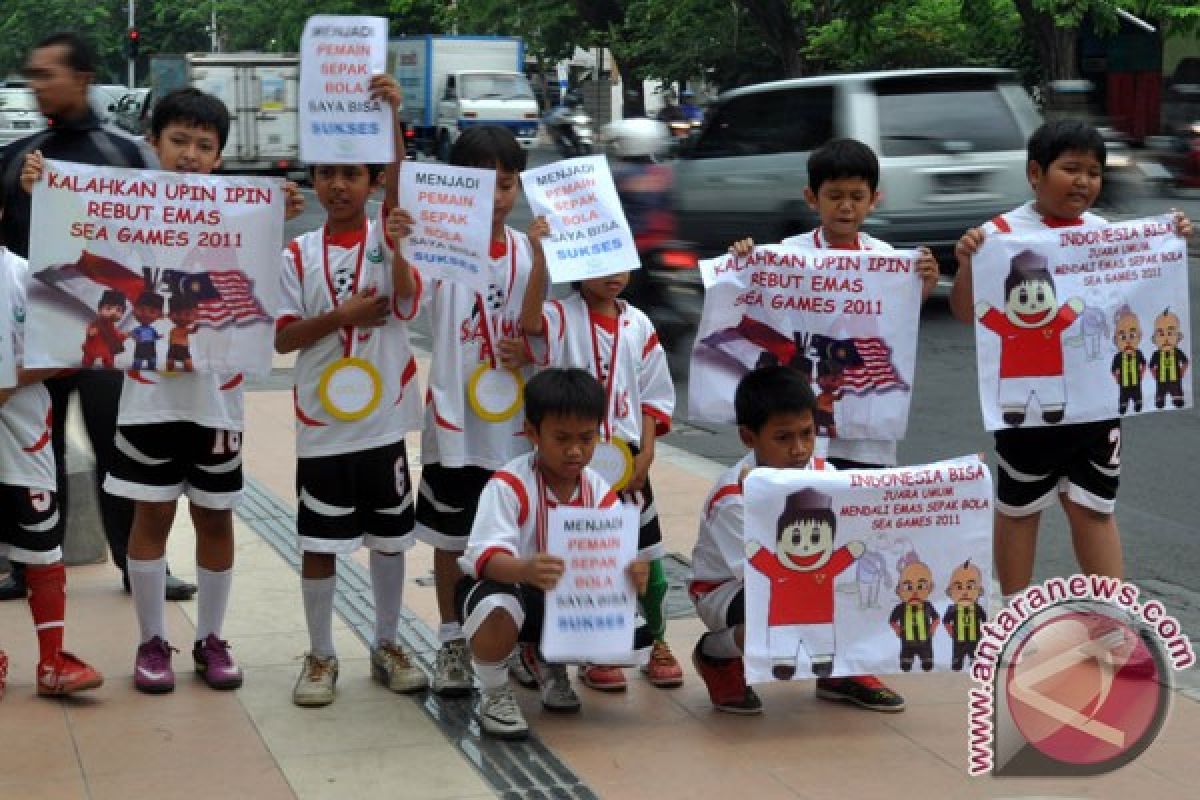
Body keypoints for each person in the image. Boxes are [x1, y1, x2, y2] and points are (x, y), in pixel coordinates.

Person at [23, 87, 304, 693]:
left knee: (215, 517)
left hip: (218, 398)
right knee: (149, 514)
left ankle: (211, 638)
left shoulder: (240, 215)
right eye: (179, 141)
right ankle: (152, 640)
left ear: (220, 156)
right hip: (149, 394)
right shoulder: (130, 210)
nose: (191, 155)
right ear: (155, 145)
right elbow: (73, 236)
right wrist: (42, 193)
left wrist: (282, 215)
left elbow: (262, 295)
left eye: (205, 146)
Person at [949, 119, 1194, 605]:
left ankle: (1112, 621)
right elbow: (964, 313)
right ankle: (1015, 618)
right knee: (1019, 508)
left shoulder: (1107, 237)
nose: (1084, 181)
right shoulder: (997, 237)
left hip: (1097, 405)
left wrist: (1171, 238)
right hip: (1025, 408)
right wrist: (967, 264)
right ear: (1035, 173)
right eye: (1071, 168)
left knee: (1095, 508)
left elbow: (1139, 295)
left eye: (1095, 172)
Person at [0, 31, 194, 602]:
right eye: (31, 75)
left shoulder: (126, 153)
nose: (35, 86)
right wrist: (21, 191)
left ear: (81, 78)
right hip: (33, 335)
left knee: (119, 450)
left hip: (109, 330)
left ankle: (140, 567)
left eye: (46, 74)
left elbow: (166, 230)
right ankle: (29, 566)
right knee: (36, 452)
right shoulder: (16, 156)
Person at [275, 75, 426, 707]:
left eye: (353, 174)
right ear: (314, 180)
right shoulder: (296, 255)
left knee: (389, 543)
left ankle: (387, 643)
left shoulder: (388, 241)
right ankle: (320, 654)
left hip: (382, 423)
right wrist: (342, 318)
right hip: (322, 427)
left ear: (370, 183)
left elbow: (409, 303)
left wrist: (391, 115)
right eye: (328, 174)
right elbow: (283, 340)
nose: (339, 185)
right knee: (320, 545)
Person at [413, 126, 545, 696]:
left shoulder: (524, 250)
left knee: (516, 538)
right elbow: (405, 294)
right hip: (456, 421)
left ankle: (516, 641)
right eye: (481, 182)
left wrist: (528, 346)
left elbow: (540, 332)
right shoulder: (438, 246)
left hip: (513, 429)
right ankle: (450, 641)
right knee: (451, 537)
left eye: (508, 183)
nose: (496, 196)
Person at [689, 366, 905, 714]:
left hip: (808, 574)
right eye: (783, 437)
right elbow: (760, 575)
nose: (799, 448)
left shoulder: (827, 476)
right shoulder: (733, 498)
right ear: (748, 437)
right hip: (731, 590)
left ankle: (840, 670)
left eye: (807, 434)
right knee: (782, 608)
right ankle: (716, 654)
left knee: (871, 580)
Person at [516, 253, 682, 691]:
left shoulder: (639, 324)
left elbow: (654, 394)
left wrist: (646, 453)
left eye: (622, 261)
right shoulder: (561, 314)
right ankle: (594, 651)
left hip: (627, 461)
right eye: (599, 262)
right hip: (574, 459)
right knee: (588, 559)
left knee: (648, 560)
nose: (613, 273)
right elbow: (530, 321)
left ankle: (658, 641)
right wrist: (539, 256)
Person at [456, 368, 651, 738]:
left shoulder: (600, 491)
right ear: (532, 432)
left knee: (636, 634)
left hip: (561, 598)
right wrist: (525, 569)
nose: (575, 450)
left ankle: (550, 663)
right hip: (503, 589)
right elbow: (484, 559)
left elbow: (615, 557)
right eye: (561, 438)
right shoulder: (509, 484)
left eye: (586, 438)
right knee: (498, 607)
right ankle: (493, 691)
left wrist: (632, 572)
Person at [729, 138, 939, 470]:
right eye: (835, 196)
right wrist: (744, 261)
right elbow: (761, 306)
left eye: (857, 197)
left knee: (859, 507)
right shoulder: (789, 254)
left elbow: (896, 324)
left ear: (874, 200)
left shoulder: (886, 259)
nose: (846, 206)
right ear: (812, 198)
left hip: (866, 432)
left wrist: (921, 286)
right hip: (805, 423)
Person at [0, 194, 104, 699]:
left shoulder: (25, 276)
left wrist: (10, 379)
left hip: (24, 437)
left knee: (42, 550)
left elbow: (69, 352)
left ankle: (51, 661)